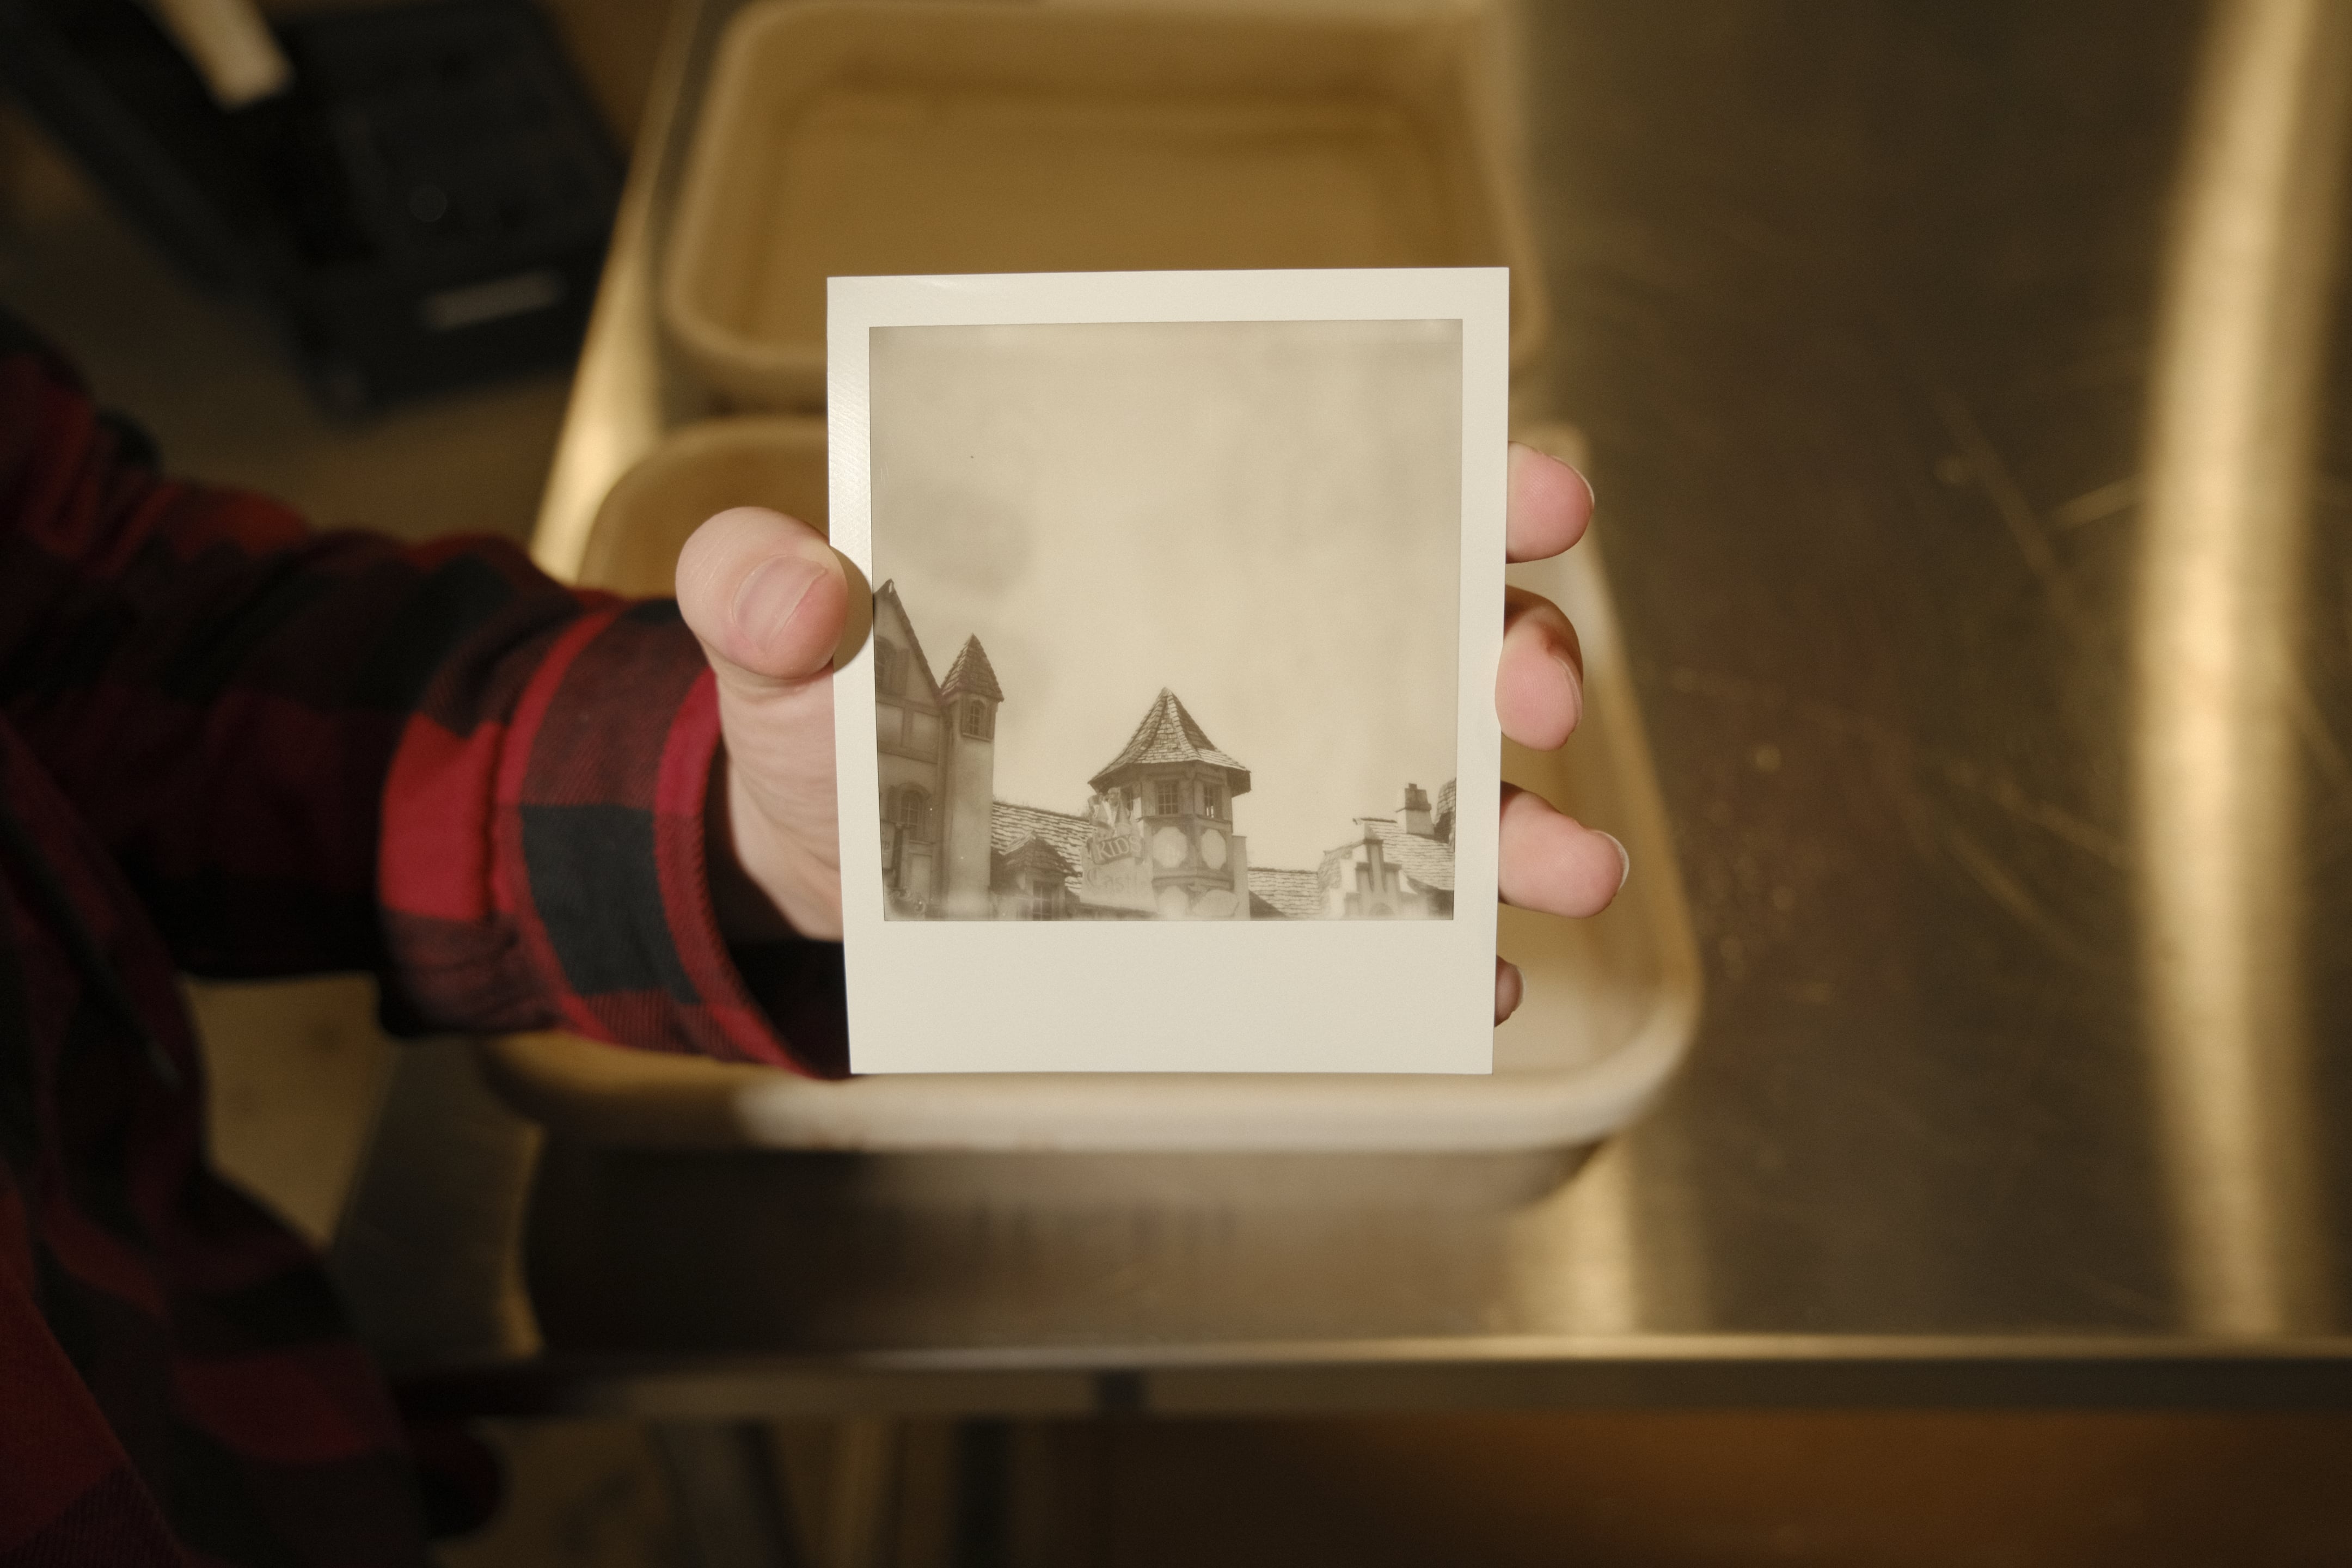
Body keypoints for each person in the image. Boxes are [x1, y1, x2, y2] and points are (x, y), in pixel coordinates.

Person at [0, 310, 1627, 1565]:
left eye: (1188, 800)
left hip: (238, 1448)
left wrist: (735, 823)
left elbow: (106, 638)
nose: (1180, 812)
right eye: (1171, 800)